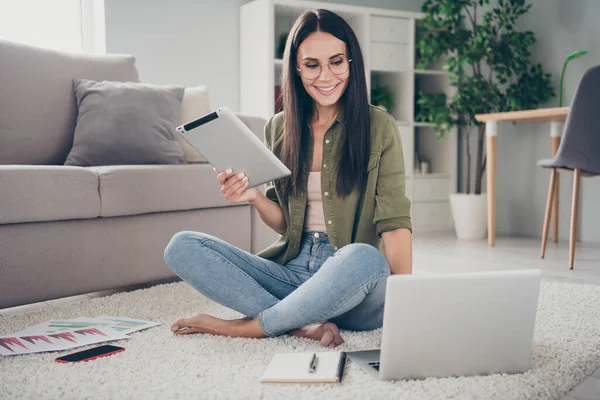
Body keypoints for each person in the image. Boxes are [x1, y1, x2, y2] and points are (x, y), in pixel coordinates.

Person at [164, 8, 412, 348]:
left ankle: (245, 327)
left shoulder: (379, 126)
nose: (325, 76)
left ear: (351, 62)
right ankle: (301, 324)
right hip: (293, 275)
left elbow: (394, 221)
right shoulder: (279, 128)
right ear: (296, 68)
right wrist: (253, 196)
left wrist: (406, 300)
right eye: (312, 65)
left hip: (354, 284)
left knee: (364, 257)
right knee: (181, 246)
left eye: (336, 62)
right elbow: (285, 224)